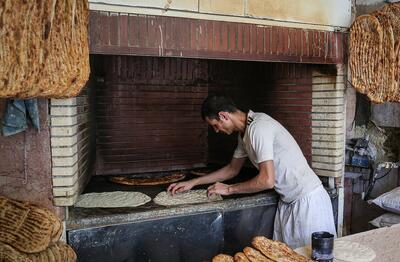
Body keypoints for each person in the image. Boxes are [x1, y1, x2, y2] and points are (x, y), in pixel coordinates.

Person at [167, 93, 336, 249]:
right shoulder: (245, 134)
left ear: (223, 116)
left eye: (215, 125)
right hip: (289, 203)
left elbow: (267, 180)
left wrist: (228, 189)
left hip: (308, 202)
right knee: (287, 257)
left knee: (312, 257)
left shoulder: (259, 128)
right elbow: (232, 169)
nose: (217, 130)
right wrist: (193, 182)